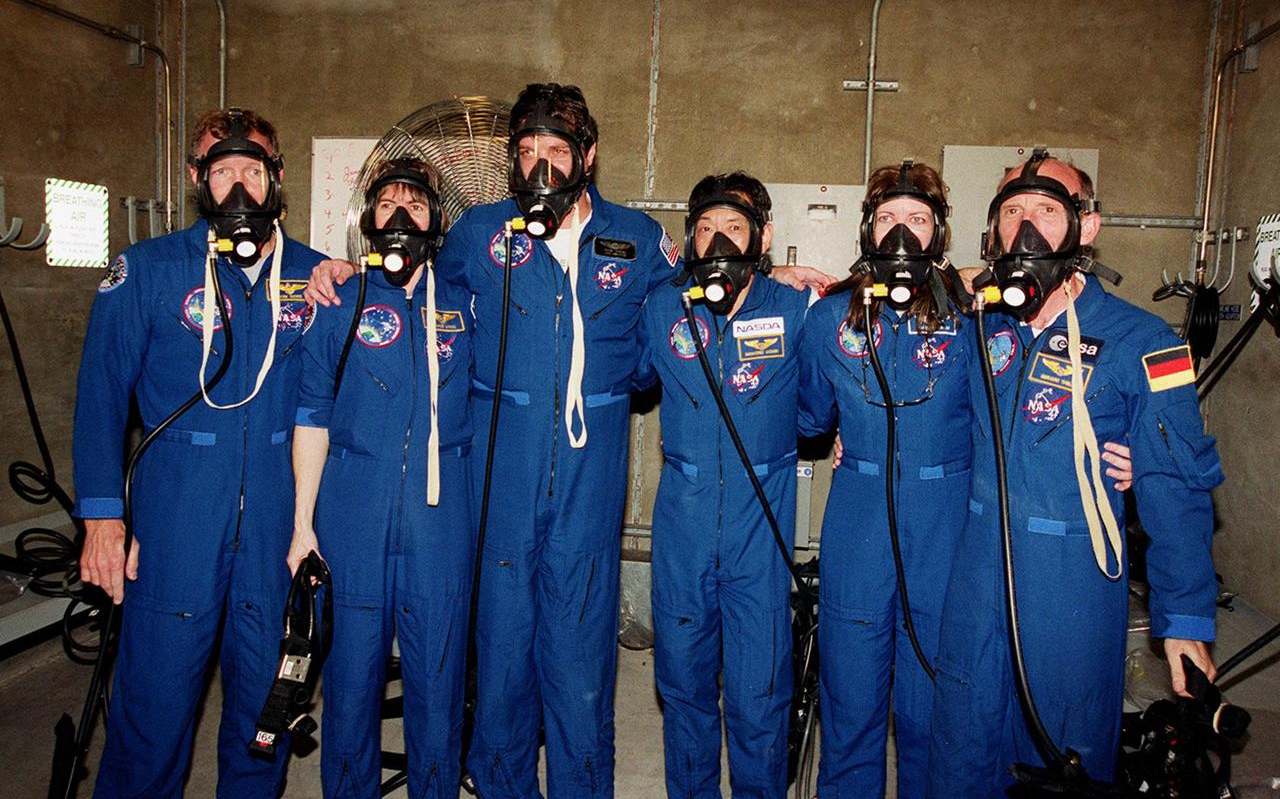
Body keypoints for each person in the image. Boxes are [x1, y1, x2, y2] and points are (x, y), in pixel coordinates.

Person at [304, 83, 831, 798]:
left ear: (588, 156)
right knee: (501, 665)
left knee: (582, 669)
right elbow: (413, 284)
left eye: (557, 150)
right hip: (501, 476)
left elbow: (710, 293)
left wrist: (775, 278)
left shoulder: (639, 240)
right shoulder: (480, 234)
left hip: (590, 477)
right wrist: (338, 270)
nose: (541, 167)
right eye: (526, 152)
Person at [799, 161, 1135, 799]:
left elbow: (1055, 370)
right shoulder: (829, 319)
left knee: (934, 712)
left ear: (941, 233)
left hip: (947, 524)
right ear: (868, 229)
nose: (903, 233)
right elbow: (810, 415)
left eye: (918, 220)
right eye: (889, 218)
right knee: (851, 703)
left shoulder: (980, 314)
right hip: (857, 520)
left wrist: (1126, 449)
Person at [925, 152, 1223, 798]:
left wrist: (1187, 620)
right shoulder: (977, 323)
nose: (1025, 228)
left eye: (1046, 210)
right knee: (960, 752)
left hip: (1073, 584)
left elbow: (1179, 483)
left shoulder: (1146, 341)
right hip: (978, 575)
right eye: (1012, 212)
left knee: (1065, 759)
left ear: (1085, 228)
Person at [73, 107, 326, 798]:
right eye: (222, 171)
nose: (239, 186)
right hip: (177, 515)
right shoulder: (148, 271)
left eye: (253, 169)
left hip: (274, 524)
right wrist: (102, 517)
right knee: (152, 711)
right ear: (196, 180)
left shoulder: (315, 276)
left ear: (276, 179)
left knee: (264, 712)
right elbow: (100, 398)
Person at [286, 157, 474, 798]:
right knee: (350, 683)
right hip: (353, 512)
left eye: (415, 206)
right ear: (367, 220)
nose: (400, 217)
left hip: (440, 515)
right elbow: (311, 413)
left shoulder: (466, 301)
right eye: (387, 205)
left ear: (436, 221)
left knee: (439, 681)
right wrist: (302, 525)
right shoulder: (339, 300)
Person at [637, 173, 808, 799]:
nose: (717, 242)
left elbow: (818, 406)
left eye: (732, 229)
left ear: (761, 238)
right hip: (682, 514)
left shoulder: (794, 309)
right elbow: (627, 372)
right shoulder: (663, 308)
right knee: (683, 685)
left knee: (759, 690)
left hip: (758, 522)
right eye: (705, 229)